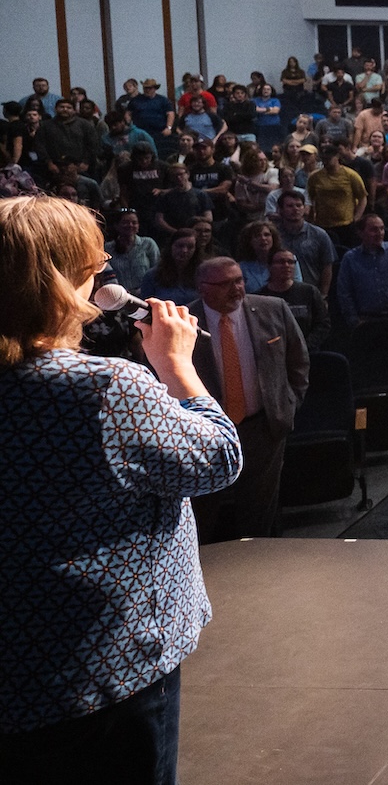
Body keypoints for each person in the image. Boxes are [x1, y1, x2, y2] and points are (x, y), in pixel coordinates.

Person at [0, 195, 241, 780]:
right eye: (93, 257)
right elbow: (218, 458)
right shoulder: (106, 388)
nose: (104, 262)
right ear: (64, 278)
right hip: (104, 670)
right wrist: (175, 364)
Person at [184, 257, 309, 542]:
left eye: (238, 280)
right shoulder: (185, 321)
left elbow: (298, 362)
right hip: (205, 435)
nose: (236, 288)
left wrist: (287, 405)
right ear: (203, 288)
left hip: (262, 430)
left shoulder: (273, 309)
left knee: (259, 513)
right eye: (224, 283)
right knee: (203, 513)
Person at [334, 214, 388, 328]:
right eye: (374, 230)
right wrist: (354, 321)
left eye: (382, 228)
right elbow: (344, 292)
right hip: (366, 322)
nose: (380, 233)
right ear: (361, 233)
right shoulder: (350, 259)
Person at [257, 248, 330, 347]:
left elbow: (323, 324)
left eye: (291, 262)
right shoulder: (259, 298)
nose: (286, 266)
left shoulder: (309, 292)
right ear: (269, 266)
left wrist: (305, 346)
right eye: (281, 262)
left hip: (308, 352)